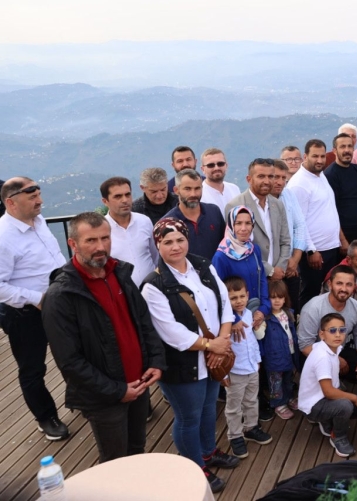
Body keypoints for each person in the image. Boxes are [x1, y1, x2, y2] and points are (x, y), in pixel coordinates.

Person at [43, 212, 165, 462]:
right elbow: (70, 362)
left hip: (139, 383)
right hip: (105, 398)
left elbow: (143, 321)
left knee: (137, 450)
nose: (100, 247)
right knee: (114, 461)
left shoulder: (120, 273)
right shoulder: (61, 296)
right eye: (91, 240)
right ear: (73, 244)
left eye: (105, 238)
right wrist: (117, 390)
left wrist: (155, 361)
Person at [141, 218, 238, 493]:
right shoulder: (153, 285)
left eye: (180, 240)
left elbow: (224, 302)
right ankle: (194, 467)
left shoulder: (203, 266)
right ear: (157, 245)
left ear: (187, 240)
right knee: (188, 417)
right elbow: (171, 332)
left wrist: (222, 342)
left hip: (212, 355)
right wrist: (212, 346)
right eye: (167, 242)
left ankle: (208, 452)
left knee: (208, 408)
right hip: (182, 363)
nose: (175, 246)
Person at [0, 177, 70, 440]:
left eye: (39, 195)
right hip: (25, 314)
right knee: (33, 369)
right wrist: (37, 298)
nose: (40, 201)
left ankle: (81, 400)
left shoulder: (38, 221)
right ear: (11, 203)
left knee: (72, 355)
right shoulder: (3, 237)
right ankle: (45, 417)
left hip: (58, 304)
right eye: (32, 197)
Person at [298, 312, 357, 457]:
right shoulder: (322, 357)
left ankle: (327, 420)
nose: (338, 334)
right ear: (322, 334)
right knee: (346, 406)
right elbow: (329, 392)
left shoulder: (331, 348)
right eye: (332, 330)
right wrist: (354, 398)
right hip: (314, 404)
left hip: (324, 396)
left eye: (342, 330)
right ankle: (338, 436)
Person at [287, 139, 344, 305]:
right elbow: (298, 222)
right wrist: (311, 250)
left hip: (331, 247)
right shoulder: (299, 184)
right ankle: (305, 321)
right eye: (315, 156)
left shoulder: (320, 175)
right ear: (305, 156)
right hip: (315, 252)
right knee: (310, 294)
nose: (319, 160)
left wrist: (340, 239)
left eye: (322, 156)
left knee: (327, 292)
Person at [221, 277, 271, 459]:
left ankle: (250, 427)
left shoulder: (249, 314)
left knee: (251, 400)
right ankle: (235, 435)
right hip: (235, 370)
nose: (239, 301)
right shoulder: (225, 322)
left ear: (248, 295)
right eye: (233, 298)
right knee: (234, 406)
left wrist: (257, 360)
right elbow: (223, 348)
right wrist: (224, 373)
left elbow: (251, 340)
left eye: (242, 296)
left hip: (251, 367)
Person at [297, 266, 357, 384]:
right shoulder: (313, 308)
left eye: (349, 285)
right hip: (315, 352)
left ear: (354, 287)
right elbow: (305, 345)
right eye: (339, 283)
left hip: (339, 348)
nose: (344, 289)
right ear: (330, 284)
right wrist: (335, 360)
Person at [226, 158, 291, 282]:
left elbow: (285, 240)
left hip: (278, 277)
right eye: (261, 176)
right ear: (249, 179)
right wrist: (270, 271)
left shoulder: (277, 205)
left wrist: (280, 268)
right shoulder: (236, 205)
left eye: (270, 176)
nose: (267, 181)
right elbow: (238, 246)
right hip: (251, 277)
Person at [211, 206, 271, 324]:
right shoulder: (221, 257)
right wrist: (235, 319)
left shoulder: (254, 250)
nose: (243, 228)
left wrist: (263, 309)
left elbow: (262, 280)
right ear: (231, 225)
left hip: (258, 315)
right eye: (238, 223)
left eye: (248, 223)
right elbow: (218, 293)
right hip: (237, 322)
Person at [101, 176, 159, 287]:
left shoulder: (144, 221)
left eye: (127, 195)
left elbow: (155, 256)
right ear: (105, 201)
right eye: (118, 196)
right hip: (122, 292)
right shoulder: (101, 230)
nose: (125, 200)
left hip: (152, 288)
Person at [258, 280, 300, 420]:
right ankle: (278, 404)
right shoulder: (266, 318)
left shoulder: (289, 314)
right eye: (273, 297)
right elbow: (260, 336)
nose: (277, 300)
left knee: (288, 379)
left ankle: (289, 398)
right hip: (274, 357)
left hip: (289, 353)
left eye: (280, 297)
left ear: (285, 298)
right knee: (276, 382)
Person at [162, 168, 226, 260]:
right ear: (176, 190)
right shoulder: (167, 223)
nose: (193, 194)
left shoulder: (214, 211)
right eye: (187, 189)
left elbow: (224, 245)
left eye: (197, 188)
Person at [271, 159, 307, 313]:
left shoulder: (289, 194)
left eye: (283, 178)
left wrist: (295, 260)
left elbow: (300, 225)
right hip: (271, 269)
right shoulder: (261, 201)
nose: (280, 182)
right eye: (276, 177)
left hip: (291, 265)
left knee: (292, 308)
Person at [325, 133, 357, 243]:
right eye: (342, 147)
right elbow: (332, 211)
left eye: (350, 146)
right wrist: (342, 240)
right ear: (334, 151)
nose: (347, 150)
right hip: (344, 232)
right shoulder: (330, 175)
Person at [199, 148, 241, 216]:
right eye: (211, 165)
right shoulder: (199, 193)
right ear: (203, 169)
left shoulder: (234, 189)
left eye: (220, 164)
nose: (216, 168)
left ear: (226, 166)